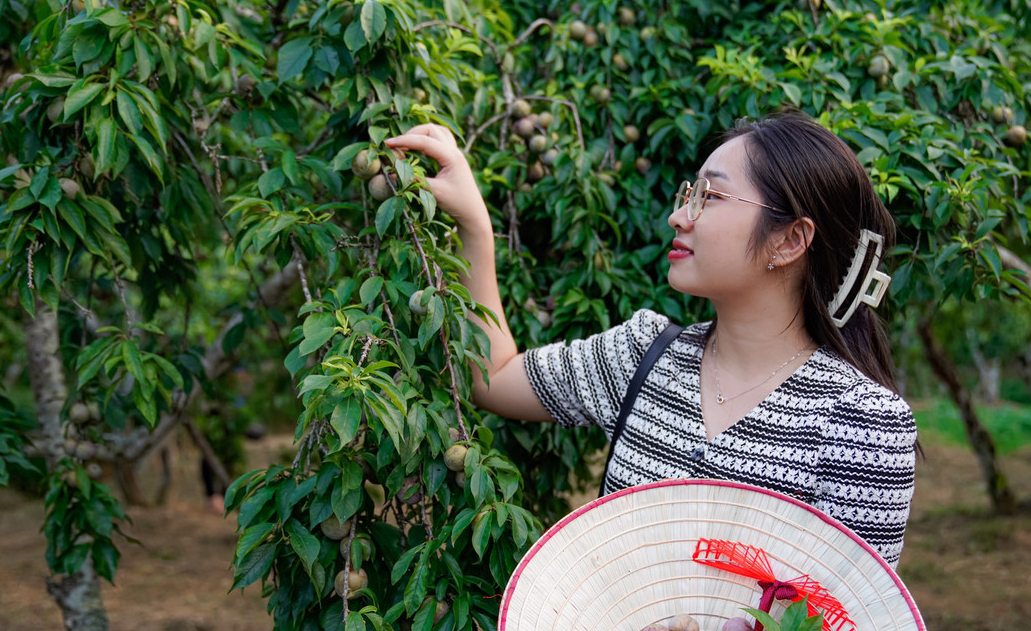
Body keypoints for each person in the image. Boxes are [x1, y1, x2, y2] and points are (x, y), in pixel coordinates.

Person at [387, 111, 917, 567]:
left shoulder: (865, 423)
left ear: (790, 239)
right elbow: (494, 378)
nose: (679, 216)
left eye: (710, 196)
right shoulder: (644, 354)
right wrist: (475, 225)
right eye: (691, 193)